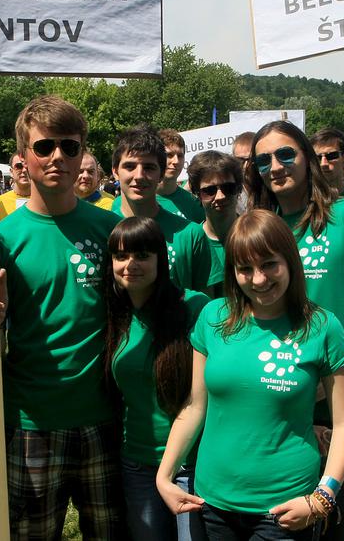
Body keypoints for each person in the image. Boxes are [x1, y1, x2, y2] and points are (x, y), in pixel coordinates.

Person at [0, 95, 125, 539]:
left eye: (69, 147)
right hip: (30, 423)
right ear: (22, 157)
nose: (57, 157)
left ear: (82, 153)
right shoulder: (0, 240)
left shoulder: (108, 230)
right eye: (44, 146)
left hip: (105, 418)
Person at [156, 209, 344, 541]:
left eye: (269, 264)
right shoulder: (212, 317)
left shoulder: (323, 327)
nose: (259, 279)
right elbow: (194, 406)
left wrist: (323, 496)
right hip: (212, 501)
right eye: (245, 269)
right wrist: (164, 476)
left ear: (290, 261)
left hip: (285, 507)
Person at [247, 120, 344, 538]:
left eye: (285, 154)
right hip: (270, 399)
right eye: (263, 160)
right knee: (274, 524)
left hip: (334, 406)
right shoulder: (259, 227)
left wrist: (337, 374)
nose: (275, 166)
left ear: (307, 158)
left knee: (334, 522)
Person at [104, 217, 209, 540]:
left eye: (142, 255)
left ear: (161, 260)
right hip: (137, 461)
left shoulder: (194, 307)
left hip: (191, 464)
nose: (130, 264)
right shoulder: (114, 314)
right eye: (121, 256)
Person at [110, 127, 213, 293]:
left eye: (149, 167)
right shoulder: (101, 229)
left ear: (161, 173)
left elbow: (205, 302)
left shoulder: (191, 234)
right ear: (115, 171)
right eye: (130, 166)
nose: (139, 175)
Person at [186, 150, 242, 296]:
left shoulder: (256, 233)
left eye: (228, 188)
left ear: (239, 188)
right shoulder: (191, 244)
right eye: (209, 190)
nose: (220, 196)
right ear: (197, 194)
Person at [156, 129, 205, 223]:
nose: (176, 161)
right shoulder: (137, 200)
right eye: (169, 155)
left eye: (180, 156)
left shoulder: (194, 203)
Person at [232, 131, 257, 215]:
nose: (245, 166)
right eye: (240, 160)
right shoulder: (230, 193)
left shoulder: (271, 188)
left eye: (251, 160)